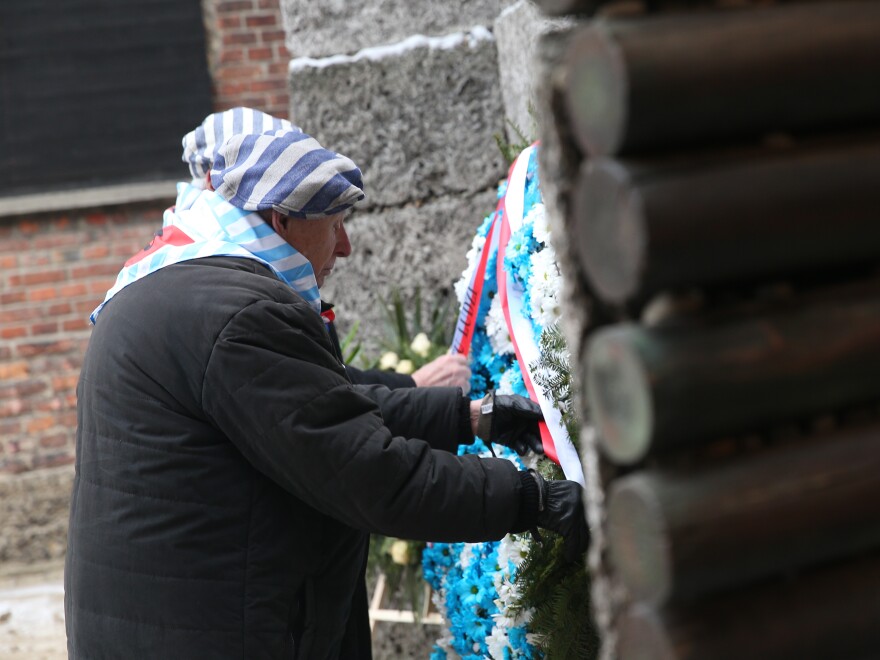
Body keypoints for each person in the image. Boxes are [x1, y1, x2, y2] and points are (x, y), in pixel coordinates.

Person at [65, 129, 588, 659]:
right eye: (335, 224)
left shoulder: (188, 285)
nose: (345, 246)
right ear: (281, 220)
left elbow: (313, 407)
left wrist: (467, 417)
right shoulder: (235, 314)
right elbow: (365, 472)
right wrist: (536, 500)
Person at [179, 106, 471, 391]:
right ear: (212, 183)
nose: (345, 248)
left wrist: (411, 387)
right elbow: (312, 403)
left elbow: (324, 386)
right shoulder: (226, 287)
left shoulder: (248, 266)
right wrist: (417, 390)